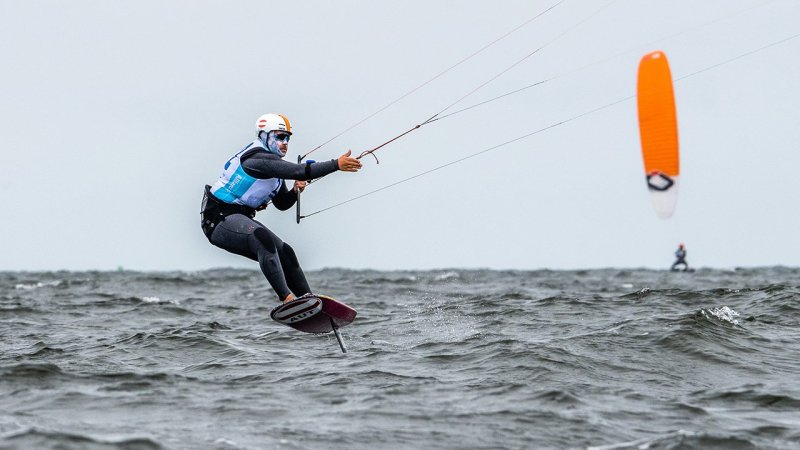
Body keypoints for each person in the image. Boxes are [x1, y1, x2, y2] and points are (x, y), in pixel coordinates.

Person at [201, 113, 362, 303]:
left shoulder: (273, 170)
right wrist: (336, 164)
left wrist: (294, 191)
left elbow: (282, 204)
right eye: (279, 137)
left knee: (286, 252)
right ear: (263, 136)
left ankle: (309, 301)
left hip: (237, 218)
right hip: (218, 219)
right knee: (263, 239)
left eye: (287, 138)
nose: (285, 143)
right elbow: (298, 171)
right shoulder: (256, 159)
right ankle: (287, 299)